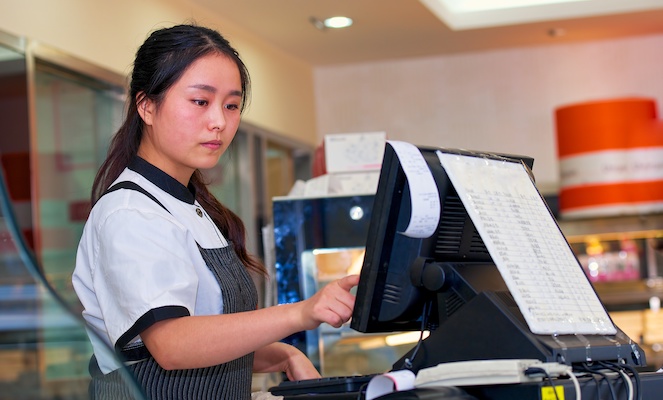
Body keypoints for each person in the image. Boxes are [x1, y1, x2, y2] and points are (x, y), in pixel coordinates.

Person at [72, 23, 359, 400]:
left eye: (232, 105)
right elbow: (172, 344)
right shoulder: (130, 212)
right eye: (200, 102)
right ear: (147, 106)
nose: (219, 122)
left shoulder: (190, 206)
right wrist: (300, 313)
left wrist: (284, 354)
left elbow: (211, 335)